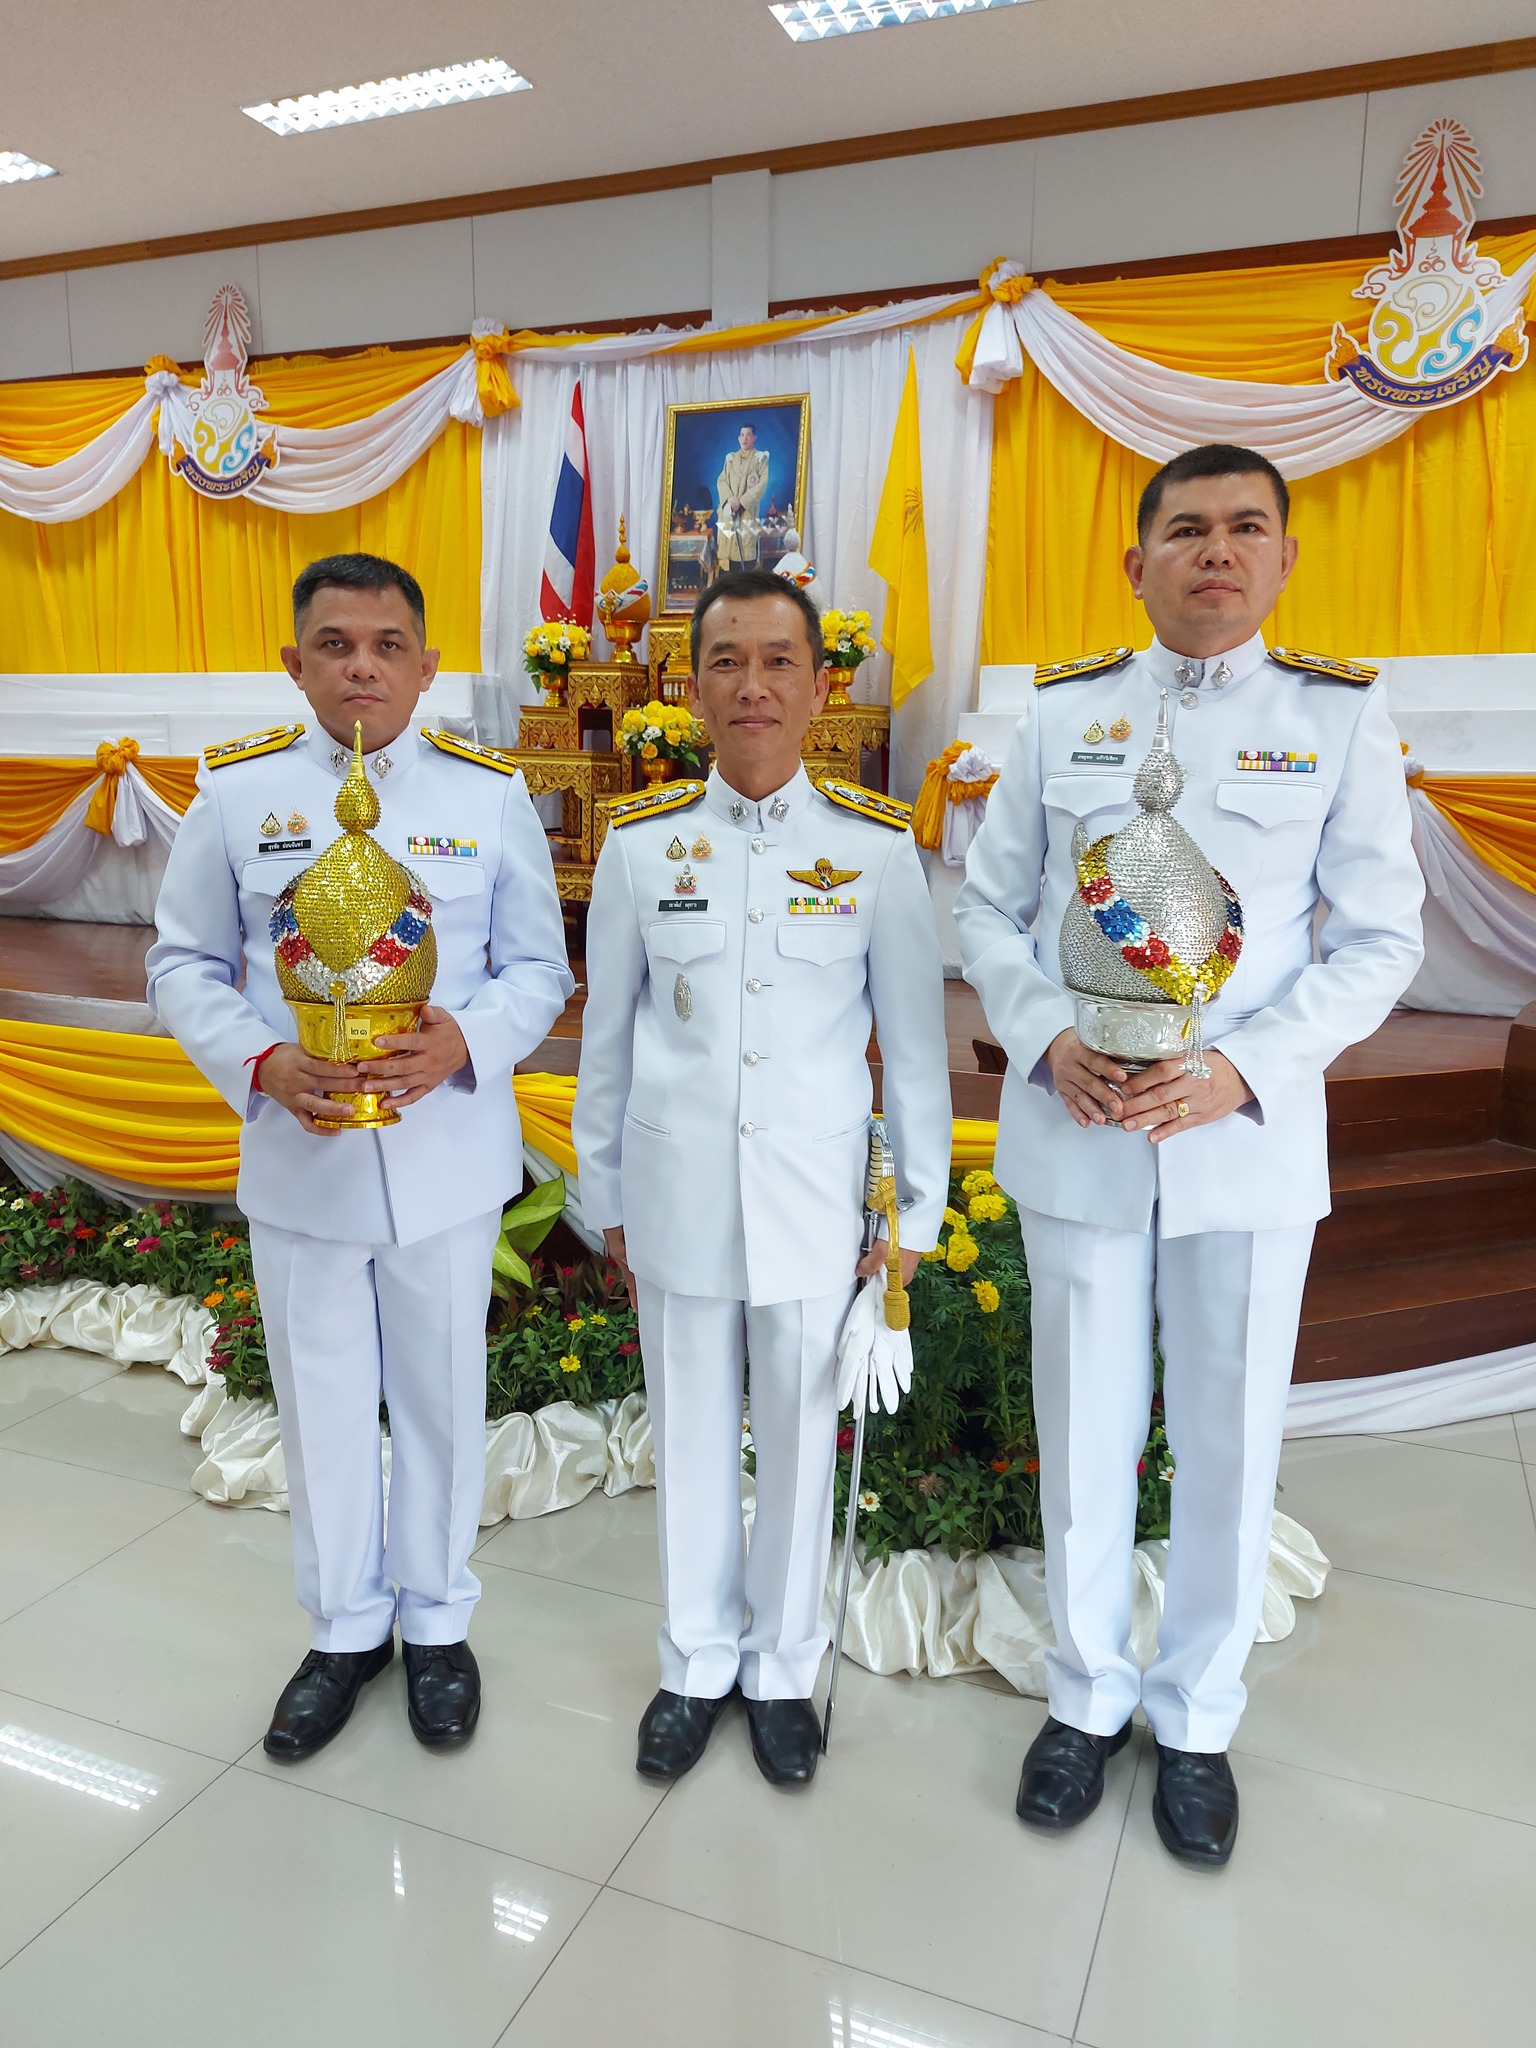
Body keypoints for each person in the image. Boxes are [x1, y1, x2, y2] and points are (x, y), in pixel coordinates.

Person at [955, 445, 1423, 1866]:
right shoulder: (1062, 712)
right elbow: (985, 909)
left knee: (1228, 1441)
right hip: (1083, 1123)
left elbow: (1380, 941)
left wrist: (1246, 1068)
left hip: (1241, 1144)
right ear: (1137, 561)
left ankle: (1199, 1718)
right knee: (1084, 1429)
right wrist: (1045, 1037)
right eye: (1188, 529)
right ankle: (1086, 1698)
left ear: (1282, 560)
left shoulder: (1336, 716)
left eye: (1246, 528)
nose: (1217, 550)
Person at [147, 553, 572, 1761]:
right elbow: (181, 962)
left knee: (441, 1397)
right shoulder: (237, 794)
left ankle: (436, 1623)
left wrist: (468, 1039)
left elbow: (539, 968)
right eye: (335, 645)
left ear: (428, 667)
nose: (363, 668)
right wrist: (259, 1061)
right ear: (296, 664)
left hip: (445, 1159)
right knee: (322, 1402)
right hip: (303, 1161)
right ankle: (343, 1629)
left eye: (388, 645)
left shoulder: (486, 795)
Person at [573, 567, 951, 1787]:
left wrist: (913, 1218)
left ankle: (784, 1670)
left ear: (820, 685)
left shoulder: (874, 850)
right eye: (726, 661)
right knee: (687, 1432)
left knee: (797, 1436)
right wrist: (603, 1194)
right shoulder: (640, 847)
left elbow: (915, 1054)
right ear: (691, 687)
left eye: (778, 660)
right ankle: (694, 1662)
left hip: (814, 1201)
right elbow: (606, 1040)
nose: (752, 684)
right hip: (676, 1194)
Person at [717, 424, 769, 568]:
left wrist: (742, 501)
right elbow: (721, 481)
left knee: (746, 554)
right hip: (731, 511)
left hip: (747, 512)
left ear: (754, 438)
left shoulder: (760, 459)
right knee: (730, 559)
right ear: (738, 438)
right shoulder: (731, 459)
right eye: (742, 435)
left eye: (748, 435)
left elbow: (762, 484)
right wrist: (730, 499)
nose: (744, 438)